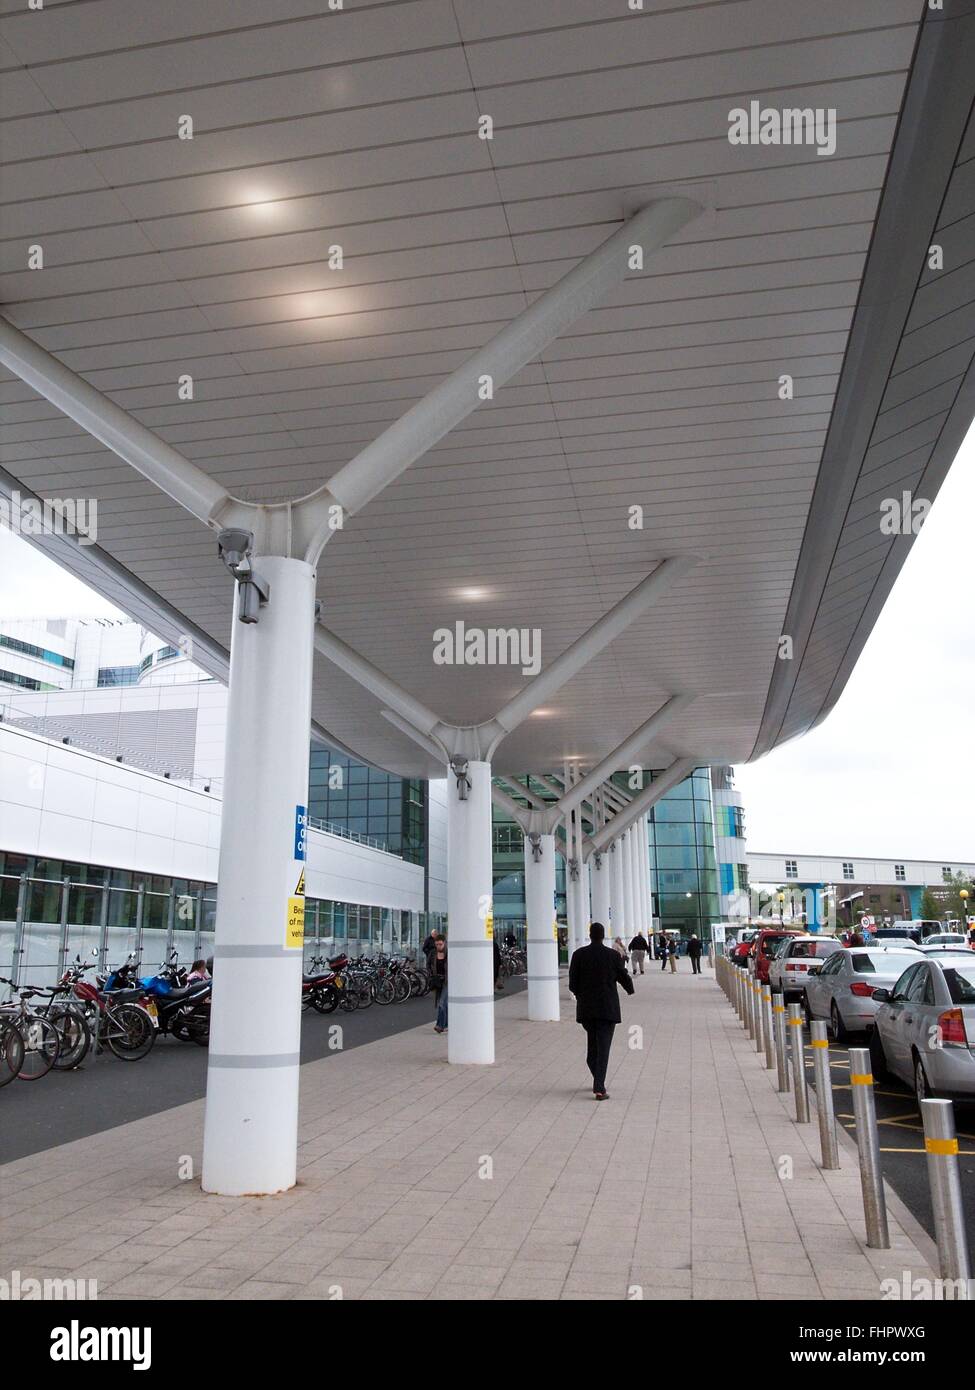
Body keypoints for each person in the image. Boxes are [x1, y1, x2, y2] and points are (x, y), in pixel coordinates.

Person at [568, 922, 634, 1100]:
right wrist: (630, 989)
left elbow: (573, 983)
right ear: (603, 935)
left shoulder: (578, 955)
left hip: (587, 1009)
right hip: (607, 1008)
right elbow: (622, 975)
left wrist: (581, 995)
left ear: (590, 935)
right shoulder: (612, 955)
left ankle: (598, 1079)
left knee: (593, 1049)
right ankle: (599, 1088)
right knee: (603, 1049)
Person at [430, 935, 448, 1033]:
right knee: (445, 1003)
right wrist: (431, 975)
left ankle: (439, 1025)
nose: (438, 946)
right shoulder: (433, 953)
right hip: (438, 981)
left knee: (441, 1002)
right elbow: (429, 964)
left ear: (444, 943)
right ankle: (446, 1024)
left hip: (447, 981)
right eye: (437, 944)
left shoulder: (449, 953)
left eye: (440, 944)